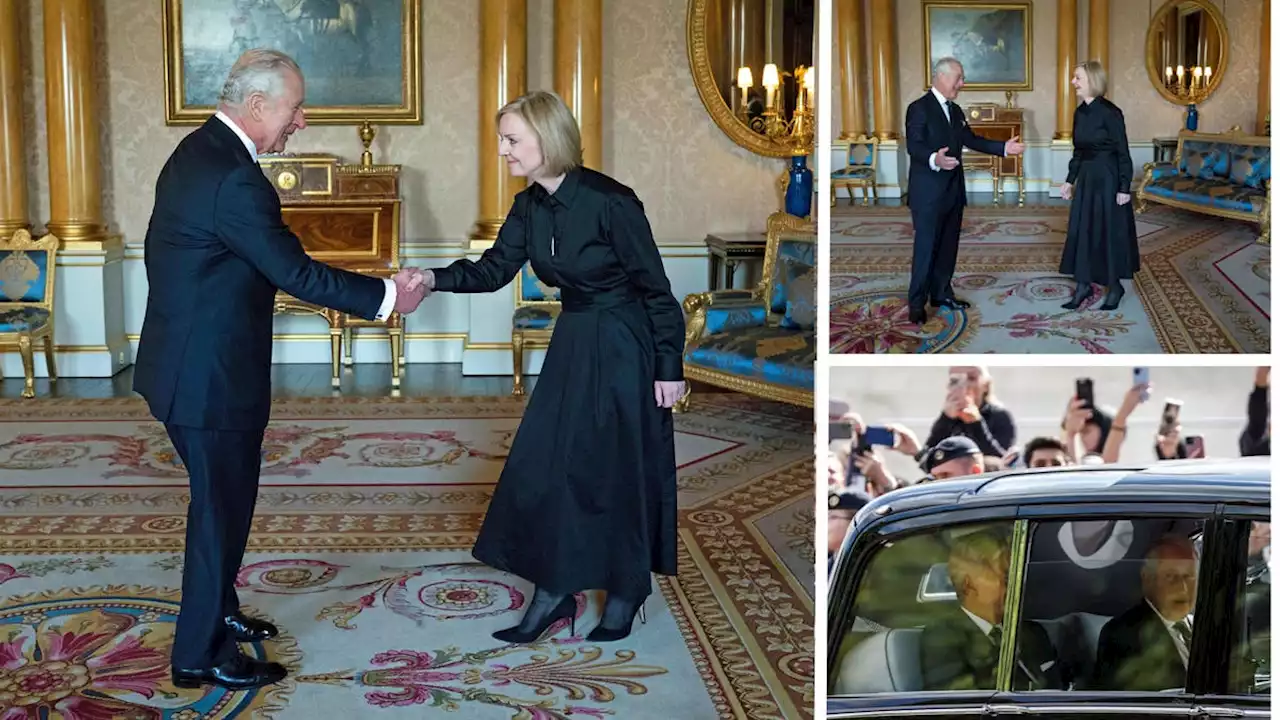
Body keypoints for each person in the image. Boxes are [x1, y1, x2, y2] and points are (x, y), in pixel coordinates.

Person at [133, 49, 429, 691]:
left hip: (185, 363)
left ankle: (221, 609)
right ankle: (197, 652)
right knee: (220, 510)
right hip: (208, 378)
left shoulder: (200, 151)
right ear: (260, 105)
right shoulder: (234, 177)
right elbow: (294, 272)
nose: (302, 119)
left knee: (225, 501)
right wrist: (388, 298)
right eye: (296, 107)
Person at [418, 91, 686, 644]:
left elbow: (658, 292)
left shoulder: (613, 202)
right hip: (574, 340)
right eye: (502, 139)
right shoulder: (529, 205)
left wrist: (669, 367)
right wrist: (430, 278)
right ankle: (555, 588)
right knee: (555, 464)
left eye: (512, 139)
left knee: (615, 467)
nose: (502, 151)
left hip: (625, 343)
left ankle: (627, 587)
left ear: (549, 138)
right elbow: (493, 270)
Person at [904, 57, 1026, 324]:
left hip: (953, 190)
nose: (963, 83)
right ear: (941, 77)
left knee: (949, 246)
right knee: (926, 248)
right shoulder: (918, 109)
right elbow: (914, 145)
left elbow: (971, 140)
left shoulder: (956, 111)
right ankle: (916, 303)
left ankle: (942, 293)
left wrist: (1004, 148)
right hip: (927, 192)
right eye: (958, 78)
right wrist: (935, 159)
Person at [919, 526, 1062, 691]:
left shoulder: (1033, 633)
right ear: (969, 584)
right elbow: (956, 705)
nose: (1015, 583)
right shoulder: (944, 638)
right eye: (1005, 575)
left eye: (1016, 574)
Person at [1059, 61, 1139, 311]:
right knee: (1083, 230)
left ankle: (1115, 286)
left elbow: (1123, 153)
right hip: (1087, 179)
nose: (1073, 82)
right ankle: (1082, 285)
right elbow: (1078, 152)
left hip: (1109, 178)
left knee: (1108, 231)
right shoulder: (1079, 113)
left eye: (1077, 78)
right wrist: (1069, 180)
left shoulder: (1111, 113)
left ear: (1092, 80)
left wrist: (1124, 187)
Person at [1092, 535, 1198, 691]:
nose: (1183, 588)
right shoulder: (1122, 635)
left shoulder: (1202, 627)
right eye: (1170, 576)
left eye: (1189, 576)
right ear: (1147, 579)